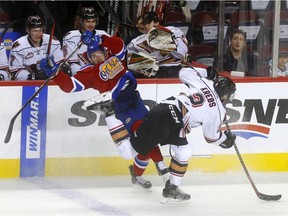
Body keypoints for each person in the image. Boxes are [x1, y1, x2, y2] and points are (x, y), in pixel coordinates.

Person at [85, 66, 237, 203]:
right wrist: (227, 139)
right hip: (168, 120)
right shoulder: (218, 111)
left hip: (168, 113)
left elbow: (184, 71)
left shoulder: (205, 82)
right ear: (225, 95)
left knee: (184, 150)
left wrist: (206, 71)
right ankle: (109, 111)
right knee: (127, 152)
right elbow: (211, 137)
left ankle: (172, 188)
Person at [39, 30, 169, 189]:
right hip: (117, 109)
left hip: (134, 101)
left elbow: (119, 45)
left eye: (99, 53)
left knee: (147, 137)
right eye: (93, 56)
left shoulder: (117, 57)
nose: (96, 58)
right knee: (131, 149)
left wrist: (101, 40)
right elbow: (69, 86)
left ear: (104, 52)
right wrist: (55, 74)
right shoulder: (89, 73)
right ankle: (157, 164)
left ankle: (153, 167)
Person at [127, 11, 189, 78]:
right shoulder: (135, 41)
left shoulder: (173, 30)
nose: (146, 26)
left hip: (175, 69)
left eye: (149, 23)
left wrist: (167, 45)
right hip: (154, 74)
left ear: (157, 22)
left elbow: (182, 54)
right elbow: (128, 60)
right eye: (144, 23)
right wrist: (149, 65)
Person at [9, 15, 63, 80]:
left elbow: (60, 63)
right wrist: (33, 77)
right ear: (28, 30)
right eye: (35, 31)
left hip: (51, 80)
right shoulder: (19, 46)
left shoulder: (53, 41)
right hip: (28, 83)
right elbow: (15, 71)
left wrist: (59, 70)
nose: (38, 34)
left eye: (40, 30)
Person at [62, 7, 109, 76]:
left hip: (103, 73)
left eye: (93, 21)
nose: (91, 25)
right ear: (81, 21)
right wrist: (88, 75)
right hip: (82, 75)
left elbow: (110, 57)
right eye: (88, 21)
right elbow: (72, 63)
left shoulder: (103, 35)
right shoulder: (71, 37)